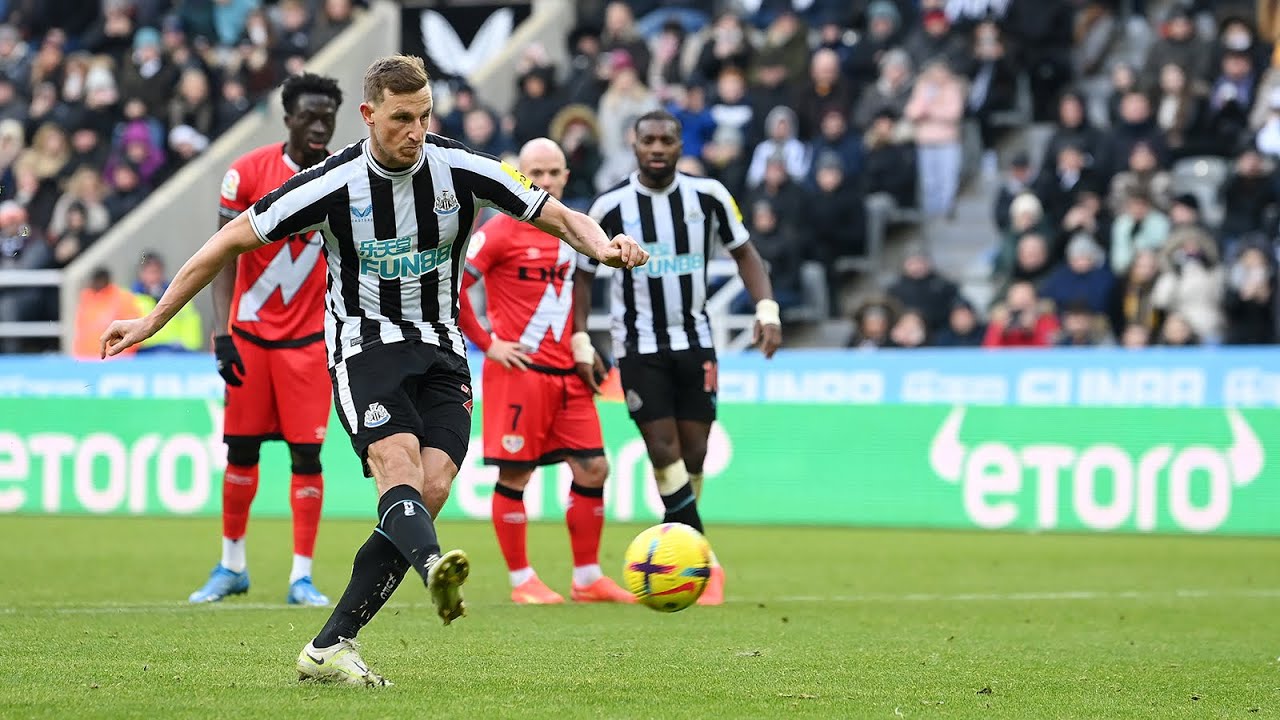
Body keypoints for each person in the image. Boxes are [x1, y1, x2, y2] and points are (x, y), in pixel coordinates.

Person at [100, 54, 649, 687]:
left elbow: (556, 213)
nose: (414, 131)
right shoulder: (329, 184)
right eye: (400, 119)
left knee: (433, 487)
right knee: (398, 469)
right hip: (365, 347)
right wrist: (153, 321)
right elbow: (226, 244)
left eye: (423, 117)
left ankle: (330, 646)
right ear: (368, 116)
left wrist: (601, 244)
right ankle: (435, 565)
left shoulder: (463, 168)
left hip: (444, 349)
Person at [574, 109, 783, 607]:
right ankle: (702, 560)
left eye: (667, 140)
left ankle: (681, 545)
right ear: (634, 143)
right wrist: (582, 338)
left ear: (679, 143)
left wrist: (767, 309)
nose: (658, 148)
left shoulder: (707, 195)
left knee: (694, 453)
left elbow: (746, 253)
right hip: (638, 346)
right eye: (649, 140)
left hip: (696, 342)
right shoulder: (612, 205)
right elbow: (581, 275)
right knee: (661, 448)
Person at [185, 73, 345, 608]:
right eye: (310, 115)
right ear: (288, 117)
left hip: (308, 343)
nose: (319, 125)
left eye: (328, 116)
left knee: (307, 457)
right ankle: (231, 565)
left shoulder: (345, 176)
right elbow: (221, 253)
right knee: (242, 453)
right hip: (251, 337)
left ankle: (302, 577)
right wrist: (222, 332)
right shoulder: (247, 173)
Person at [456, 137, 633, 606]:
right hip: (520, 373)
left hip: (570, 375)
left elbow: (582, 288)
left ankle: (588, 576)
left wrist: (582, 341)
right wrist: (489, 344)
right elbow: (453, 290)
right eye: (536, 173)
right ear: (519, 177)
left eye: (554, 172)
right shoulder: (497, 233)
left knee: (594, 467)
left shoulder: (574, 229)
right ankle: (521, 582)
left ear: (566, 176)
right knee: (516, 477)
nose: (546, 181)